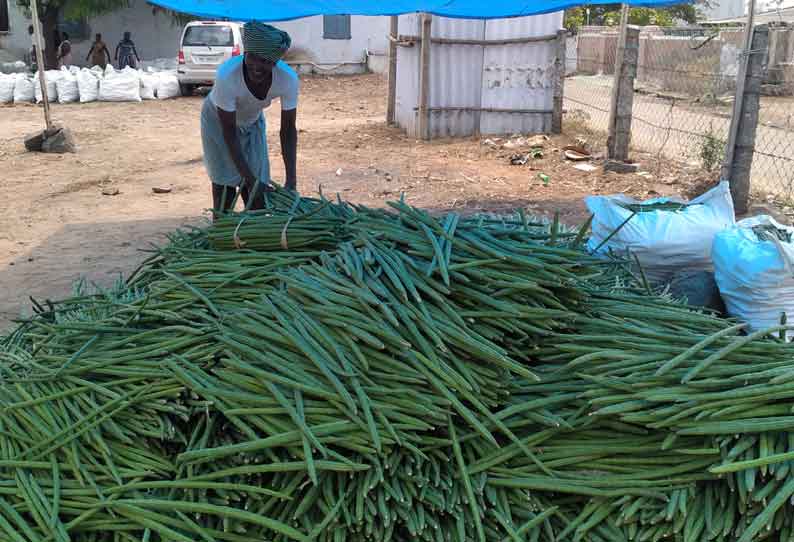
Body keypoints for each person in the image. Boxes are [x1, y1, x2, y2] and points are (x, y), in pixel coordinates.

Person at [200, 22, 299, 214]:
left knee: (257, 196)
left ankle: (253, 230)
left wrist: (291, 180)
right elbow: (228, 132)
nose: (257, 66)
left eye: (266, 61)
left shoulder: (287, 80)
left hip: (252, 121)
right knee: (225, 184)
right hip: (217, 121)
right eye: (252, 57)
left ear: (275, 62)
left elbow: (288, 130)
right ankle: (222, 229)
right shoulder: (227, 76)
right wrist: (249, 179)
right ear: (245, 54)